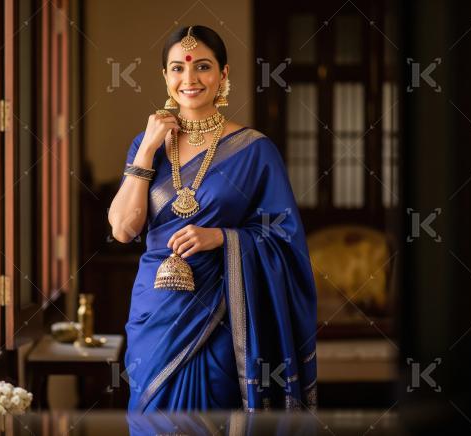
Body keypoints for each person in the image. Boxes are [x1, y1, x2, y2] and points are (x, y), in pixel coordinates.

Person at [108, 25, 317, 412]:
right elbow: (123, 229)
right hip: (155, 310)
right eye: (177, 68)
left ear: (223, 75)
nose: (189, 79)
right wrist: (147, 151)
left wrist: (222, 237)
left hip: (223, 311)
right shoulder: (145, 146)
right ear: (165, 77)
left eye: (202, 67)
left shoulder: (254, 151)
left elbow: (284, 235)